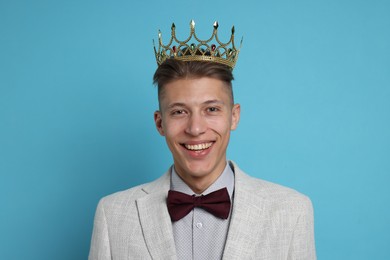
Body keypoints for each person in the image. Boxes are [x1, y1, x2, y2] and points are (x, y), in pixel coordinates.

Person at [88, 20, 316, 260]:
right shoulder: (113, 214)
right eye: (179, 112)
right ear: (159, 123)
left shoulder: (292, 211)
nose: (195, 129)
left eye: (211, 109)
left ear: (234, 116)